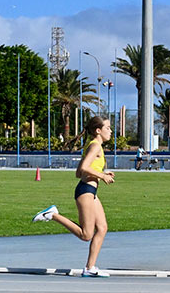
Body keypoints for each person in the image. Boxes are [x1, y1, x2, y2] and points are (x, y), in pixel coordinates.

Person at [32, 116, 116, 277]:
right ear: (98, 130)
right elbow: (84, 168)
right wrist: (102, 176)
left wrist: (100, 174)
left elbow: (79, 172)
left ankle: (90, 268)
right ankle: (52, 215)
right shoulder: (95, 146)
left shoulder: (93, 146)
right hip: (85, 192)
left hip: (90, 191)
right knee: (86, 235)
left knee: (103, 228)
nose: (111, 131)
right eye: (108, 128)